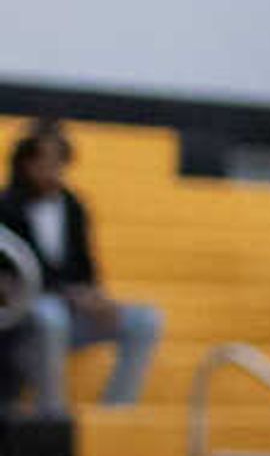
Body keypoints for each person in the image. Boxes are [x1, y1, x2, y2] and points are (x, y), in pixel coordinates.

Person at [5, 122, 165, 413]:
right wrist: (68, 293)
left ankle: (116, 413)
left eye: (59, 161)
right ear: (27, 163)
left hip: (74, 309)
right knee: (51, 316)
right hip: (27, 317)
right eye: (45, 161)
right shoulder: (6, 206)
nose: (53, 169)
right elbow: (12, 278)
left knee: (146, 320)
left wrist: (96, 298)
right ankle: (53, 415)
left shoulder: (73, 205)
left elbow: (86, 267)